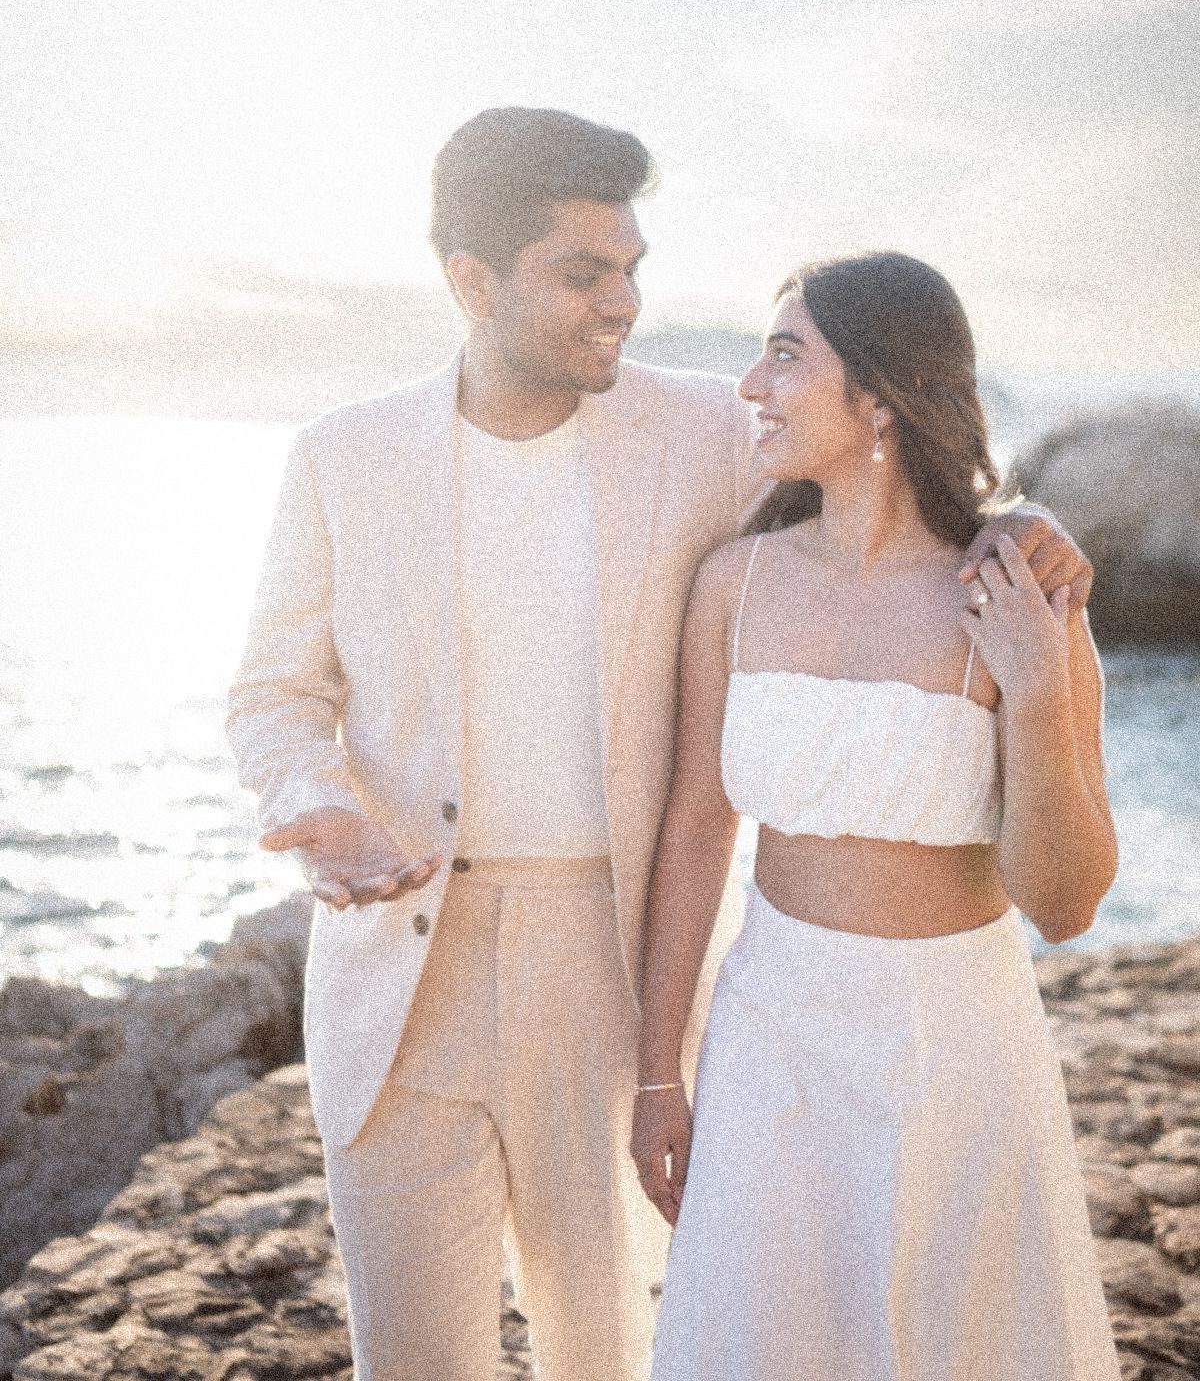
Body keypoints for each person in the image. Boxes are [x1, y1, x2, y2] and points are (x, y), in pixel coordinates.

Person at [227, 116, 1094, 1381]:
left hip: (603, 954)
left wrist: (1035, 521)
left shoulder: (702, 429)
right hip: (397, 967)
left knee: (611, 1352)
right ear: (472, 280)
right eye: (584, 274)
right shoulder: (340, 457)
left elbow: (886, 489)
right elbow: (271, 693)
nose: (623, 303)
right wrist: (320, 801)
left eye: (632, 266)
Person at [632, 251, 1120, 1381]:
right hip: (770, 1033)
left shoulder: (1015, 590)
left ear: (885, 396)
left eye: (786, 354)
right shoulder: (733, 583)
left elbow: (1069, 901)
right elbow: (696, 834)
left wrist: (1039, 693)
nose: (751, 386)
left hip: (955, 1043)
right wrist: (661, 1072)